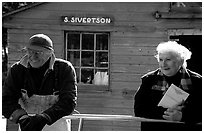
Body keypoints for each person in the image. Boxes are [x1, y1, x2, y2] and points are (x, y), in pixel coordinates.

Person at [2, 34, 77, 131]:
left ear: (50, 53)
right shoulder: (17, 70)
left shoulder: (64, 69)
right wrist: (21, 118)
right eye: (30, 51)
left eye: (38, 52)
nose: (33, 57)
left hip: (57, 125)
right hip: (27, 126)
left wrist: (45, 117)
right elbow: (6, 101)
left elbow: (69, 101)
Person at [134, 41, 201, 130]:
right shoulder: (149, 80)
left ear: (180, 61)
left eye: (168, 60)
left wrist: (182, 116)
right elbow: (139, 110)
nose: (163, 64)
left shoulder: (197, 81)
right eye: (161, 59)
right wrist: (166, 113)